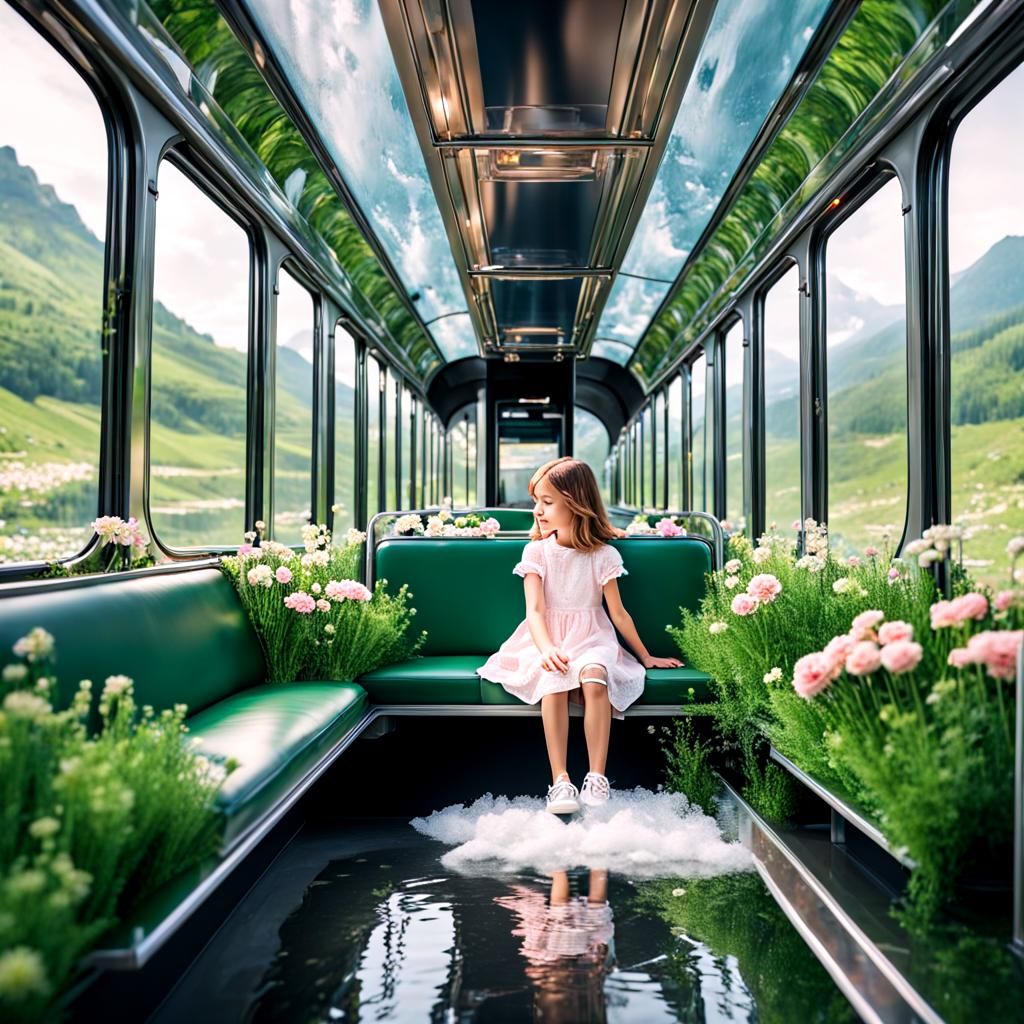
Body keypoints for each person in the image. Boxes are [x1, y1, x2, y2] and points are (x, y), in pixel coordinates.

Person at [477, 457, 683, 814]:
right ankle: (560, 780)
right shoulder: (536, 552)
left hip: (593, 638)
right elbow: (536, 611)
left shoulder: (603, 555)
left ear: (575, 502)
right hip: (546, 637)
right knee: (554, 677)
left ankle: (596, 778)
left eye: (547, 502)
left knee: (595, 676)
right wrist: (545, 649)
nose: (538, 511)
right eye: (536, 501)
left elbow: (617, 613)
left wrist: (646, 656)